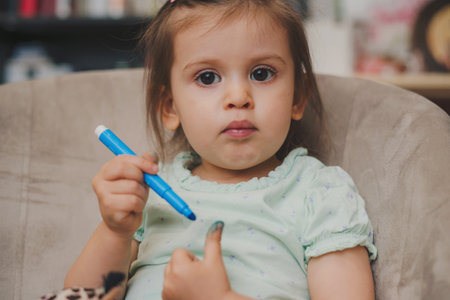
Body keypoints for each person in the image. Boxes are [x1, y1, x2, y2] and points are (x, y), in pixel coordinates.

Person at [64, 1, 377, 299]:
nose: (238, 96)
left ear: (297, 97)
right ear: (170, 106)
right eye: (208, 77)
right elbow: (78, 296)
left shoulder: (319, 192)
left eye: (262, 73)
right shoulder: (151, 191)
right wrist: (115, 232)